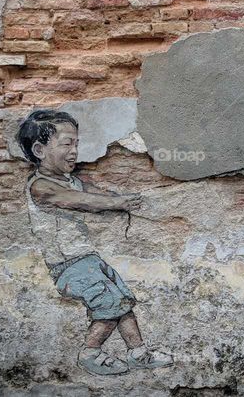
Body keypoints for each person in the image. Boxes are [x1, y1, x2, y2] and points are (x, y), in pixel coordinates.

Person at [17, 109, 171, 376]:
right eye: (67, 144)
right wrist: (115, 202)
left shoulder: (73, 181)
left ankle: (138, 353)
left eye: (76, 143)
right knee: (110, 305)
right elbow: (81, 201)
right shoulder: (40, 186)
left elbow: (97, 194)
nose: (74, 151)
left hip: (88, 260)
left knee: (123, 302)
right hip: (67, 266)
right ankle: (90, 352)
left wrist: (127, 199)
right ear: (40, 149)